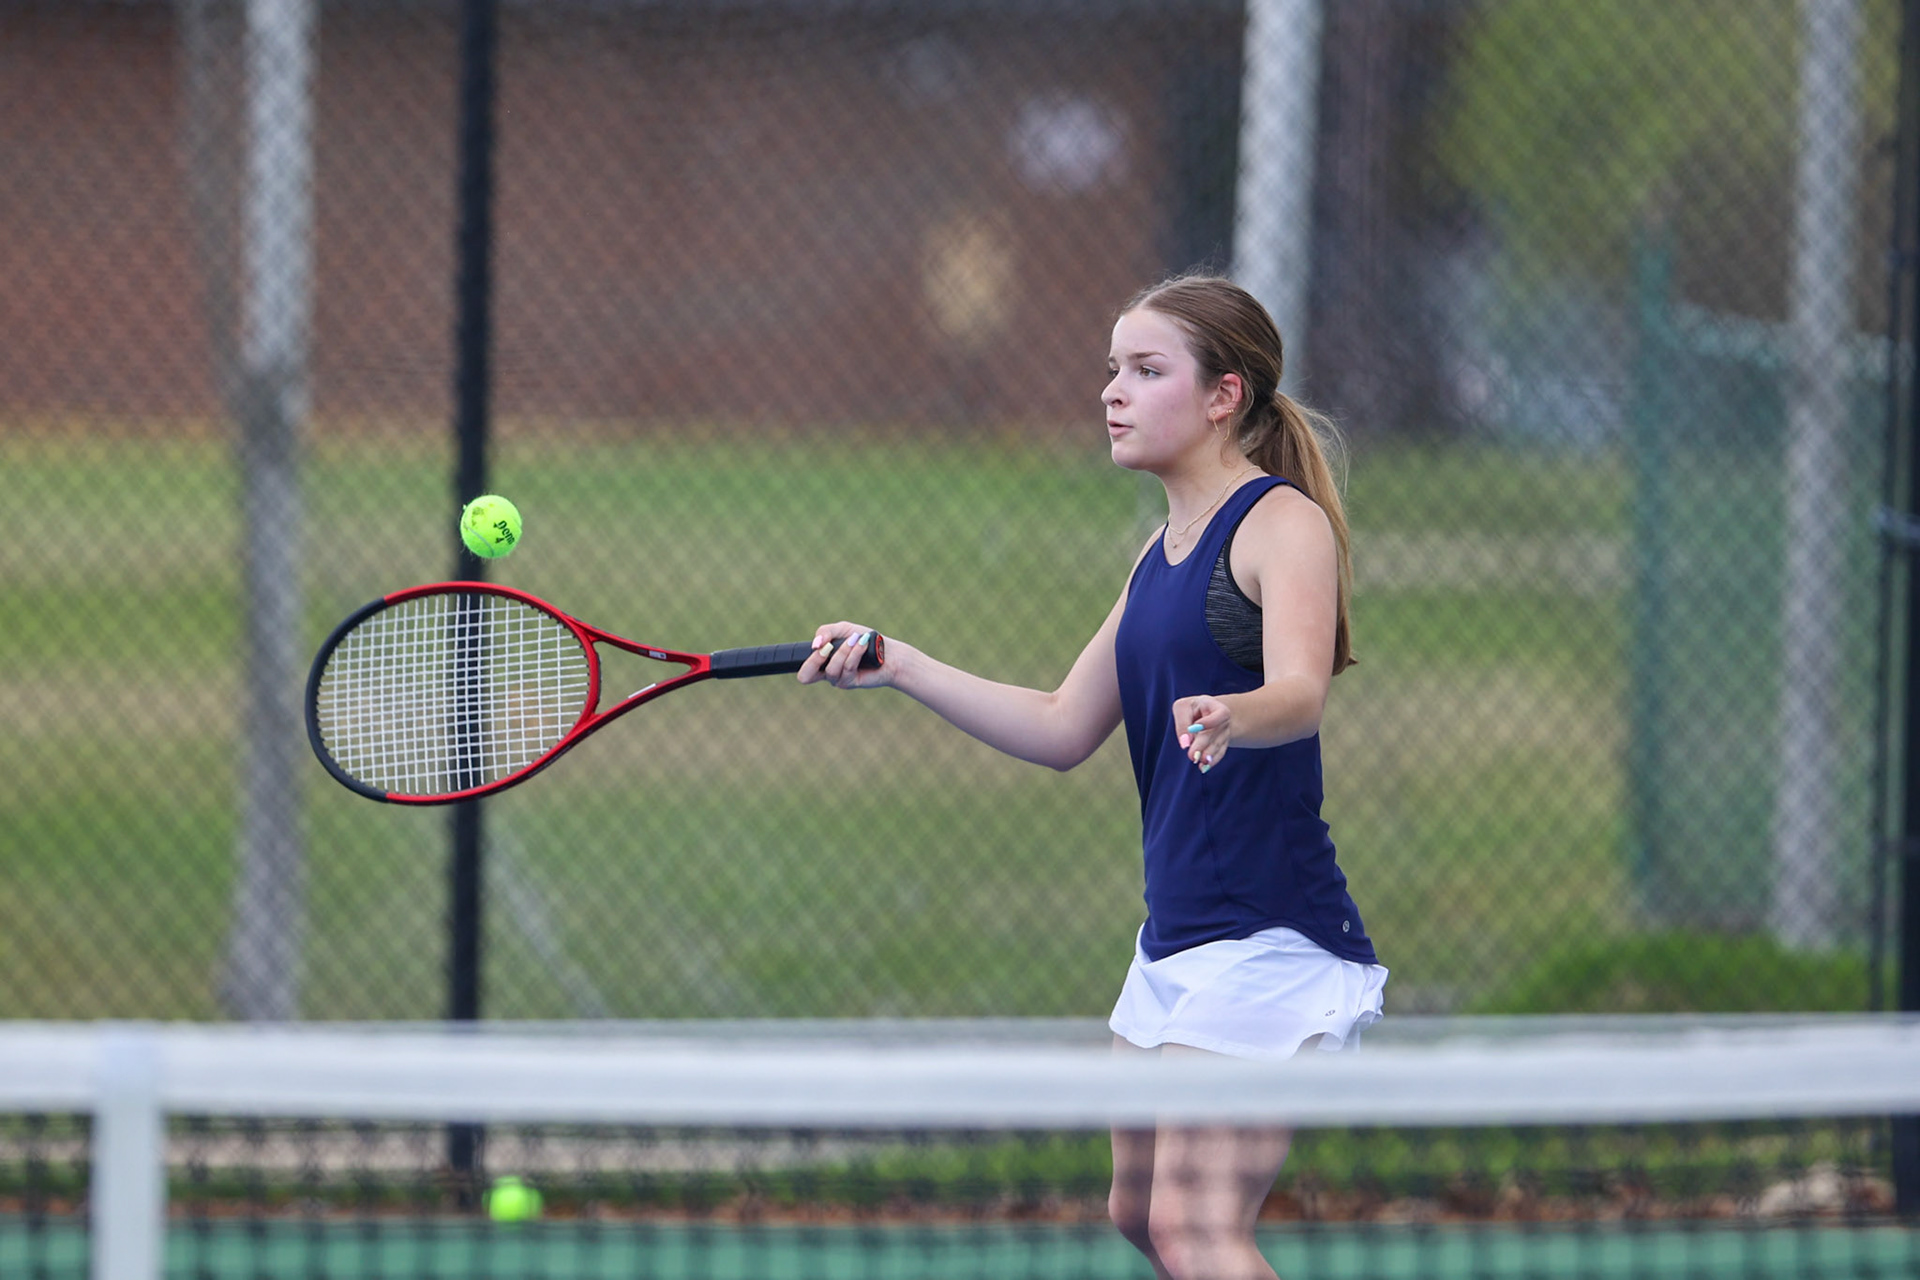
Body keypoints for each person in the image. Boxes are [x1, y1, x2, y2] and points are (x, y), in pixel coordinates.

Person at [799, 273, 1387, 1280]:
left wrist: (1230, 713)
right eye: (1112, 368)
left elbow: (1300, 688)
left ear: (1223, 395)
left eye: (1147, 370)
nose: (1113, 391)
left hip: (1271, 938)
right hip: (1174, 942)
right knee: (1136, 1211)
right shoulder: (1156, 557)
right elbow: (1062, 724)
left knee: (1195, 1230)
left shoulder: (1277, 522)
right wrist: (900, 661)